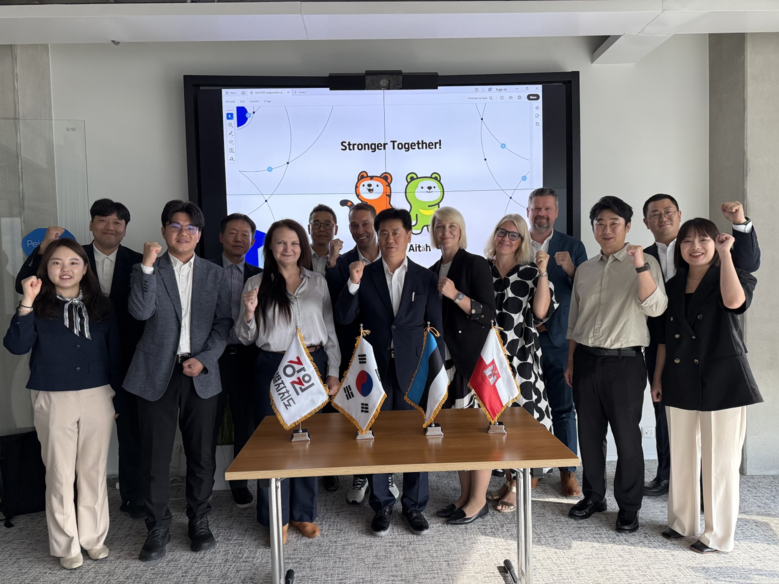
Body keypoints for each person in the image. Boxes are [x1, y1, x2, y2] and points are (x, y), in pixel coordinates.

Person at [15, 199, 146, 518]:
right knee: (67, 453)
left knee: (130, 432)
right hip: (73, 361)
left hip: (128, 357)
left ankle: (132, 496)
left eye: (117, 222)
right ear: (91, 225)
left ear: (125, 229)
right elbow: (25, 284)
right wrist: (43, 250)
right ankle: (70, 507)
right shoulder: (72, 256)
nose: (109, 227)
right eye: (102, 220)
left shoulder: (138, 262)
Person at [124, 200, 232, 562]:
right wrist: (147, 266)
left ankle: (198, 519)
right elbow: (140, 311)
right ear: (163, 230)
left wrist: (204, 359)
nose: (183, 233)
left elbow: (223, 325)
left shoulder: (215, 274)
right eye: (175, 225)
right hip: (156, 372)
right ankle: (157, 525)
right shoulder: (145, 269)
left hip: (200, 372)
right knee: (155, 456)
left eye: (190, 227)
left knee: (201, 454)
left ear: (200, 235)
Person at [4, 239, 121, 570]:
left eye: (73, 262)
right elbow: (16, 346)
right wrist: (26, 302)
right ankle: (66, 543)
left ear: (85, 269)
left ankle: (93, 538)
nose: (65, 269)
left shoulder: (102, 306)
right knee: (59, 473)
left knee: (93, 471)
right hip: (53, 395)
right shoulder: (37, 305)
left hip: (97, 393)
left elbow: (114, 353)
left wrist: (117, 397)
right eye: (57, 262)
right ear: (47, 269)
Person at [651, 218, 762, 554]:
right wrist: (657, 377)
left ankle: (717, 536)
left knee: (720, 461)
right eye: (687, 241)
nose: (695, 247)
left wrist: (726, 256)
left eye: (703, 240)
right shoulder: (673, 284)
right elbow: (664, 339)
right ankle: (681, 522)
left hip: (723, 379)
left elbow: (734, 302)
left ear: (717, 243)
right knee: (682, 455)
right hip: (680, 376)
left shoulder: (734, 273)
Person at [336, 207, 443, 537]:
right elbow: (344, 318)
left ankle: (414, 506)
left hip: (414, 370)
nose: (389, 239)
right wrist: (352, 285)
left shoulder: (425, 277)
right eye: (383, 233)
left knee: (415, 440)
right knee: (376, 438)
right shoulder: (363, 274)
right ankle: (381, 503)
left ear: (409, 236)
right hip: (374, 370)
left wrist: (436, 370)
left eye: (396, 232)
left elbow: (435, 327)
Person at [565, 196, 667, 533]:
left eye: (614, 223)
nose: (606, 229)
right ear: (593, 228)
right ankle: (594, 496)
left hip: (625, 363)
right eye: (600, 223)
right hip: (585, 360)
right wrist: (571, 361)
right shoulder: (585, 269)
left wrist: (639, 266)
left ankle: (629, 506)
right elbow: (575, 321)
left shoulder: (645, 262)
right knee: (589, 435)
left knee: (627, 438)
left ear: (628, 226)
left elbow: (656, 308)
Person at [236, 219, 340, 543]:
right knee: (272, 445)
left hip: (312, 364)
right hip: (273, 365)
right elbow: (245, 337)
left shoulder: (318, 281)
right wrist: (249, 312)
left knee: (306, 441)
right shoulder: (255, 282)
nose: (288, 249)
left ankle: (302, 513)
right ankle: (275, 517)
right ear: (269, 247)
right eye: (281, 242)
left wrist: (334, 371)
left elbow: (330, 329)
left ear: (302, 247)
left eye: (294, 243)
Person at [324, 202, 399, 505]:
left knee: (387, 417)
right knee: (358, 415)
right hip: (352, 352)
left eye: (365, 224)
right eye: (354, 225)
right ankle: (359, 473)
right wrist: (335, 267)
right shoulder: (341, 263)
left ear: (376, 226)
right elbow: (338, 311)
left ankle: (387, 474)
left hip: (386, 352)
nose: (360, 231)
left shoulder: (392, 258)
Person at [484, 214, 557, 513]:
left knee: (523, 420)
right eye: (502, 232)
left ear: (522, 241)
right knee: (495, 421)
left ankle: (517, 485)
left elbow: (540, 313)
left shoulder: (530, 272)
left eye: (513, 235)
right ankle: (507, 479)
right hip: (488, 360)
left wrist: (543, 272)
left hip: (521, 357)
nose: (506, 238)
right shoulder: (482, 268)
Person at [428, 207, 495, 525]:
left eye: (452, 226)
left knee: (478, 433)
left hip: (471, 361)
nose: (445, 232)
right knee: (456, 432)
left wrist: (455, 295)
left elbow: (488, 314)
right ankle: (464, 494)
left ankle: (479, 500)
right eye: (440, 227)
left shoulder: (475, 263)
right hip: (445, 364)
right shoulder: (432, 269)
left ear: (461, 230)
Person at [526, 188, 586, 497]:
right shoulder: (515, 242)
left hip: (560, 340)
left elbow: (588, 292)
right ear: (528, 211)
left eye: (547, 209)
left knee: (563, 408)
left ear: (556, 212)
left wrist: (572, 271)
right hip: (525, 341)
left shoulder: (573, 247)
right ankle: (532, 470)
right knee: (529, 408)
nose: (542, 213)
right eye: (537, 208)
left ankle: (567, 471)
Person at [208, 214, 262, 508]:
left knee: (246, 424)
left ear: (252, 242)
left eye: (245, 235)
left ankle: (240, 483)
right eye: (232, 233)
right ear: (221, 237)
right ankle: (203, 486)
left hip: (247, 358)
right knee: (208, 423)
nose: (239, 239)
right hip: (210, 358)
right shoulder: (204, 270)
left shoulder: (261, 275)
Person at [308, 204, 339, 276]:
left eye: (327, 224)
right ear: (309, 228)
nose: (321, 229)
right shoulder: (297, 258)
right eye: (316, 224)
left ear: (336, 229)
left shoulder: (343, 262)